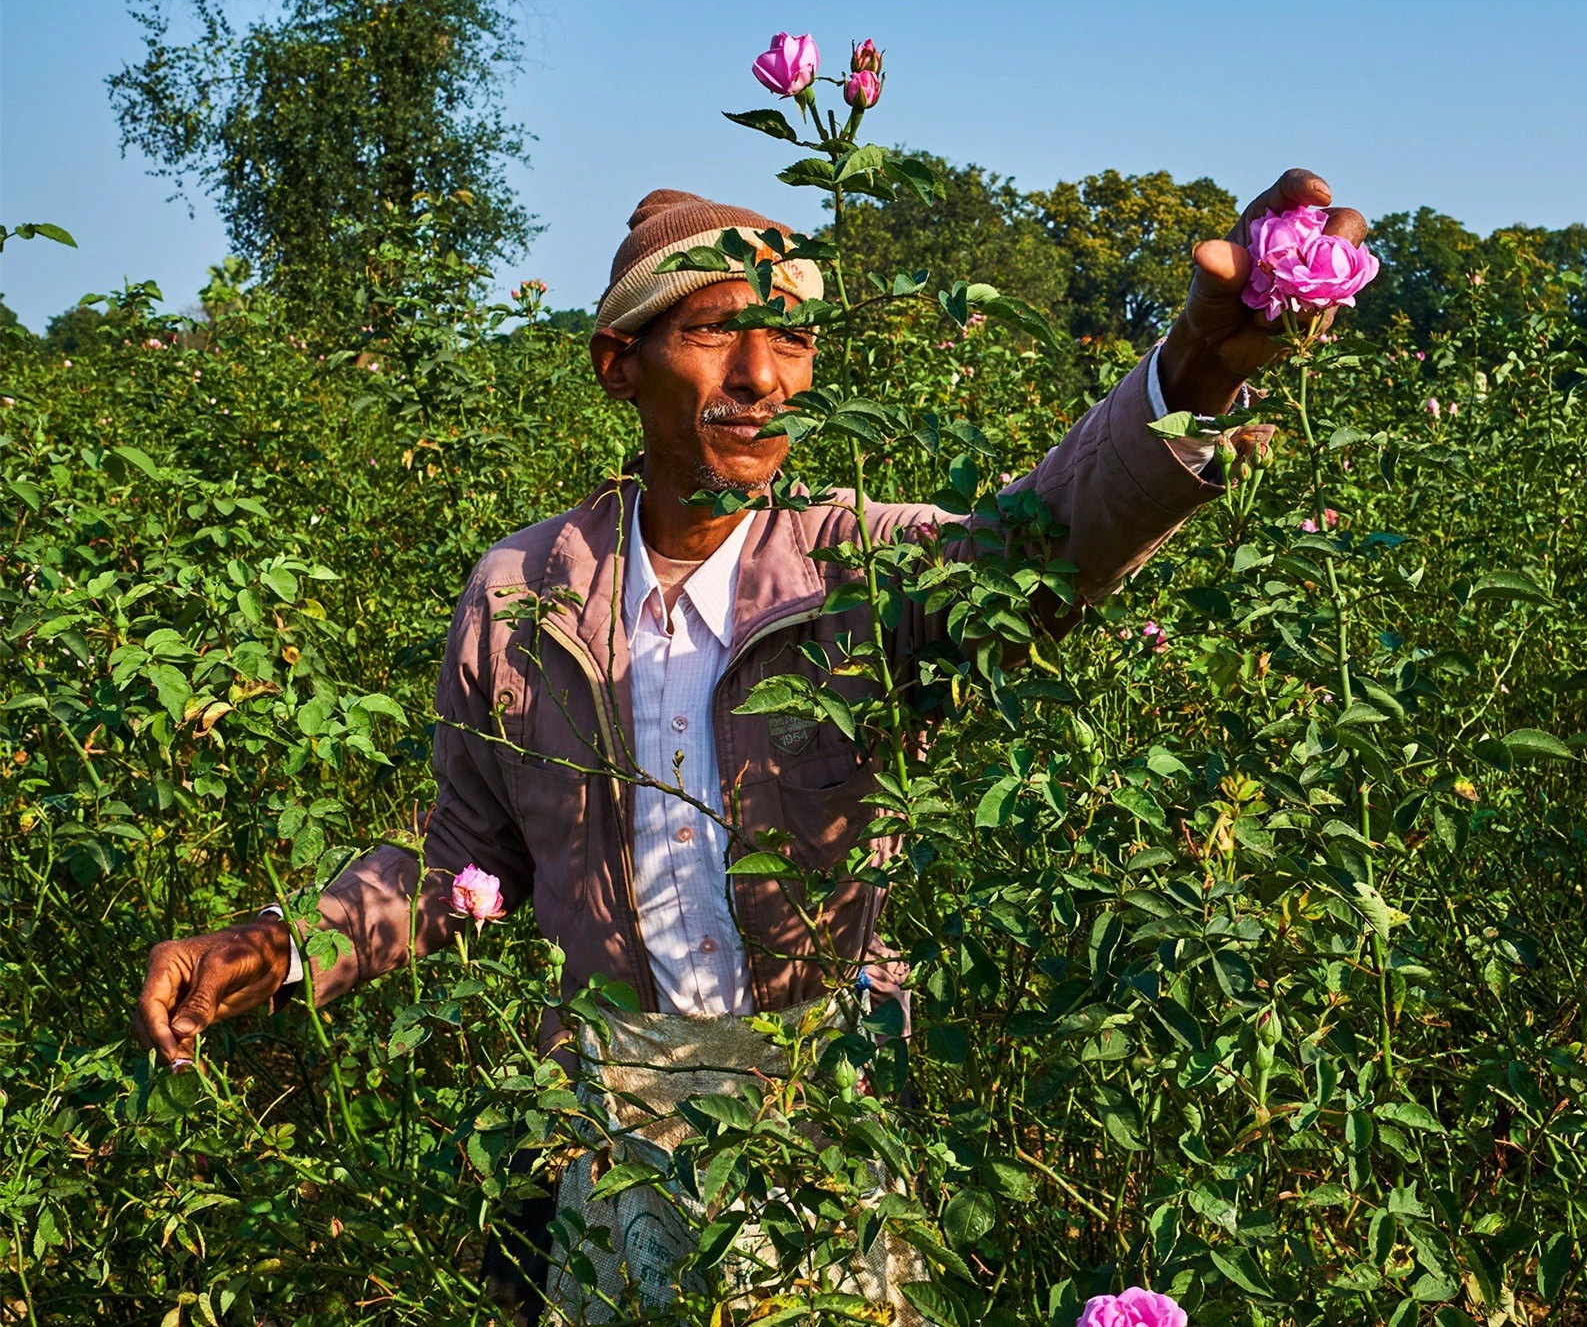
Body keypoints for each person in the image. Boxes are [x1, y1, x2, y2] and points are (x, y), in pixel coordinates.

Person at [133, 170, 1367, 1319]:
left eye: (790, 340)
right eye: (717, 331)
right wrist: (285, 947)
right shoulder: (525, 587)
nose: (763, 375)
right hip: (613, 1100)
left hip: (821, 1086)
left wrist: (1192, 374)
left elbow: (1046, 551)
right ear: (620, 362)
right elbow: (469, 847)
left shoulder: (860, 565)